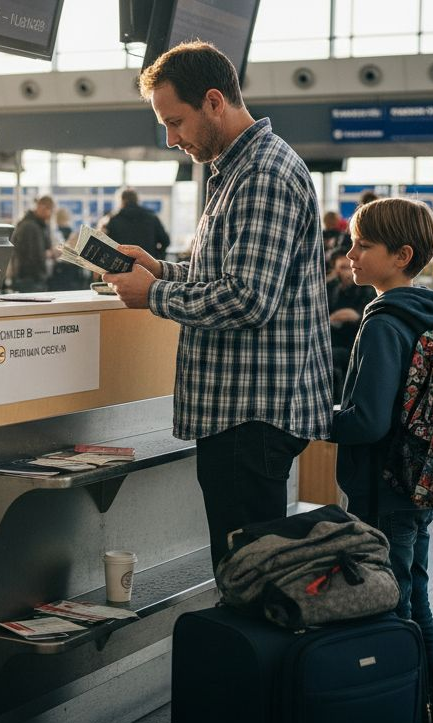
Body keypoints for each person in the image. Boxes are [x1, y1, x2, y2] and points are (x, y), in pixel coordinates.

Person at [104, 41, 332, 569]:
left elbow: (249, 299)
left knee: (247, 576)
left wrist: (153, 295)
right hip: (244, 411)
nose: (171, 138)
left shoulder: (262, 175)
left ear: (213, 101)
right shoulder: (239, 170)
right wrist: (162, 271)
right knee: (246, 568)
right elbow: (228, 278)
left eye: (176, 121)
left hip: (250, 415)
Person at [330, 197, 433, 687]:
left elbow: (369, 422)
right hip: (419, 480)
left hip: (384, 486)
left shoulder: (383, 321)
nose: (350, 253)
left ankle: (398, 705)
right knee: (414, 595)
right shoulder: (431, 313)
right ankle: (429, 703)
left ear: (401, 255)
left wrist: (316, 419)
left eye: (363, 244)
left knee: (388, 600)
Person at [325, 247, 376, 401]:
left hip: (354, 347)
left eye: (349, 267)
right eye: (341, 268)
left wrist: (355, 317)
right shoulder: (332, 289)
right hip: (332, 343)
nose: (347, 272)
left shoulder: (367, 290)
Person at [104, 188, 171, 261]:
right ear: (137, 200)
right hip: (148, 265)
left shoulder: (112, 220)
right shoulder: (152, 217)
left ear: (121, 200)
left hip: (122, 267)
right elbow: (166, 241)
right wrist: (158, 258)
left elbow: (106, 246)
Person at [9, 195, 54, 293]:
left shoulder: (34, 224)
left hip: (28, 278)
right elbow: (35, 255)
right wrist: (50, 254)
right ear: (42, 207)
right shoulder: (31, 227)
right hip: (30, 279)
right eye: (50, 210)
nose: (50, 215)